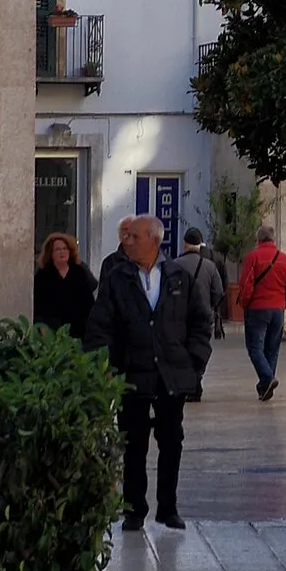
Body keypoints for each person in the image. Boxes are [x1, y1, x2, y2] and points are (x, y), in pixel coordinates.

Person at [84, 213, 216, 531]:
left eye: (135, 237)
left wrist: (193, 362)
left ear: (154, 241)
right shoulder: (117, 279)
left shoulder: (178, 277)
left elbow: (201, 322)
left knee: (171, 442)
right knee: (133, 445)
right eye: (126, 236)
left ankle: (168, 508)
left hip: (171, 376)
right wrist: (105, 368)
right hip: (132, 376)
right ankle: (134, 510)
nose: (127, 241)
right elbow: (100, 327)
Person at [234, 226, 286, 401]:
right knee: (272, 348)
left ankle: (267, 378)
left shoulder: (253, 257)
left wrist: (245, 304)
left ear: (259, 240)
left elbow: (247, 285)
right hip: (278, 310)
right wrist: (284, 304)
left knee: (255, 347)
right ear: (273, 240)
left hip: (257, 309)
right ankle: (265, 387)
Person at [33, 231, 97, 339]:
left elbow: (88, 302)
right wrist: (42, 328)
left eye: (65, 249)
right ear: (51, 253)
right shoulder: (43, 275)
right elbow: (38, 306)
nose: (62, 252)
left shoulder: (79, 272)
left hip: (79, 329)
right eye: (57, 249)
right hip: (52, 330)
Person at [178, 226, 228, 343]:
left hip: (181, 315)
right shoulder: (210, 266)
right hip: (204, 313)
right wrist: (211, 305)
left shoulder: (175, 264)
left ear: (184, 244)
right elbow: (219, 291)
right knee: (200, 346)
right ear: (200, 245)